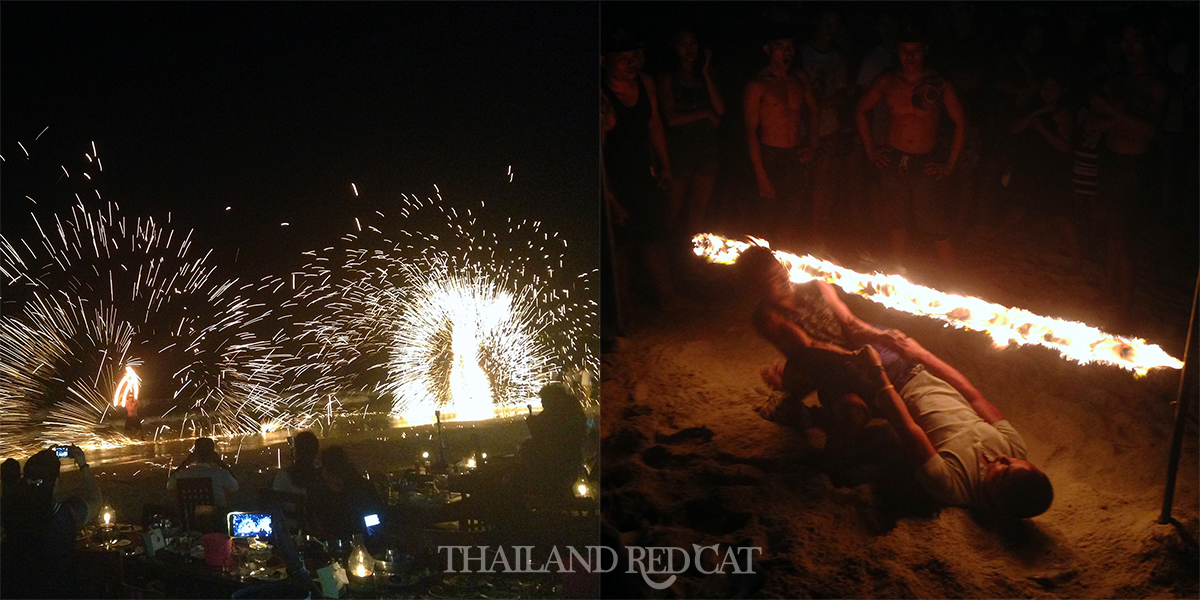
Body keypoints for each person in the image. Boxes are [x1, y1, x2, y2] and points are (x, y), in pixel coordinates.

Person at [742, 247, 1052, 519]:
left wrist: (870, 357)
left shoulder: (952, 484)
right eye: (1015, 460)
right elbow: (973, 395)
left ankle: (821, 459)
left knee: (857, 417)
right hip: (834, 363)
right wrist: (911, 351)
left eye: (1006, 468)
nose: (1005, 457)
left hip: (876, 376)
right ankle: (794, 395)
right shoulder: (1014, 447)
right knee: (855, 393)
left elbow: (908, 428)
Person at [856, 25, 967, 274]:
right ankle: (900, 274)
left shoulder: (938, 85)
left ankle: (952, 281)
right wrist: (871, 149)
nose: (909, 57)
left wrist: (949, 164)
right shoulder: (888, 81)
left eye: (915, 51)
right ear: (898, 52)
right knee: (896, 220)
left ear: (924, 51)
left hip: (926, 160)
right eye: (905, 51)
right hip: (894, 159)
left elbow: (961, 121)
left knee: (937, 224)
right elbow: (861, 110)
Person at [1091, 23, 1167, 327]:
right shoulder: (1119, 79)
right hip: (1111, 159)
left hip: (1133, 167)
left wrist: (1116, 114)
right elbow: (1095, 122)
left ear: (1146, 42)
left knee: (1124, 237)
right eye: (1125, 40)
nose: (1129, 46)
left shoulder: (1156, 84)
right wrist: (1116, 119)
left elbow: (1150, 132)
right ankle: (1109, 291)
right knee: (1111, 231)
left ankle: (1125, 304)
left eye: (1135, 39)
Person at [602, 26, 679, 312]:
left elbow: (654, 123)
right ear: (604, 60)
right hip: (613, 180)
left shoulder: (645, 83)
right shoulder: (603, 97)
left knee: (653, 235)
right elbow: (598, 155)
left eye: (636, 55)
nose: (633, 62)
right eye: (624, 57)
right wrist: (611, 199)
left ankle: (667, 297)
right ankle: (622, 308)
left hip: (641, 173)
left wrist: (665, 165)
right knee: (619, 245)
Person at [744, 26, 820, 246]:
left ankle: (784, 268)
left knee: (792, 217)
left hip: (794, 155)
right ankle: (760, 270)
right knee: (766, 221)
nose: (787, 52)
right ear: (767, 49)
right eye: (780, 47)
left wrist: (813, 143)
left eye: (790, 47)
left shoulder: (798, 79)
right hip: (770, 156)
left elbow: (815, 109)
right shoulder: (758, 84)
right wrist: (761, 176)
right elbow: (750, 131)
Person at [1, 446, 102, 598]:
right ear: (55, 482)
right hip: (59, 590)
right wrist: (83, 465)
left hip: (17, 590)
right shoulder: (66, 514)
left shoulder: (8, 508)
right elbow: (96, 500)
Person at [658, 26, 725, 247]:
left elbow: (721, 109)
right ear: (674, 47)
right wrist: (704, 113)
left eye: (693, 44)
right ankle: (664, 250)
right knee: (673, 208)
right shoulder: (669, 78)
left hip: (706, 148)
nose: (689, 49)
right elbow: (670, 118)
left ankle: (692, 252)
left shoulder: (705, 75)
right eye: (683, 44)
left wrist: (706, 74)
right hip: (680, 149)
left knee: (699, 207)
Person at [799, 9, 851, 243]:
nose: (830, 27)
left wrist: (817, 104)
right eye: (826, 21)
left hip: (827, 127)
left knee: (823, 180)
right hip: (800, 127)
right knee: (800, 178)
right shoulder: (801, 53)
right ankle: (795, 226)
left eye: (834, 23)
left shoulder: (837, 59)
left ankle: (815, 229)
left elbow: (841, 94)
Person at [167, 437, 239, 507]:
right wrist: (221, 463)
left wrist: (185, 463)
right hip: (215, 518)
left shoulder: (180, 475)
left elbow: (169, 486)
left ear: (194, 455)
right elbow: (235, 488)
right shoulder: (221, 474)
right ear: (213, 455)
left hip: (189, 518)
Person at [273, 430, 322, 497]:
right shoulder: (322, 478)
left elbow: (276, 501)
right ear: (316, 452)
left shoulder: (283, 477)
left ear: (295, 451)